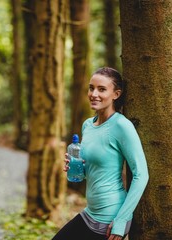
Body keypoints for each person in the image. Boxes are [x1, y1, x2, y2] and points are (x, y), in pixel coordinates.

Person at [52, 67, 149, 240]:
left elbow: (141, 174)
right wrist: (78, 169)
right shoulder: (88, 125)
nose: (94, 94)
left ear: (116, 94)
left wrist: (121, 220)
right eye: (91, 88)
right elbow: (96, 170)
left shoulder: (121, 126)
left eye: (102, 89)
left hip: (109, 219)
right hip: (90, 212)